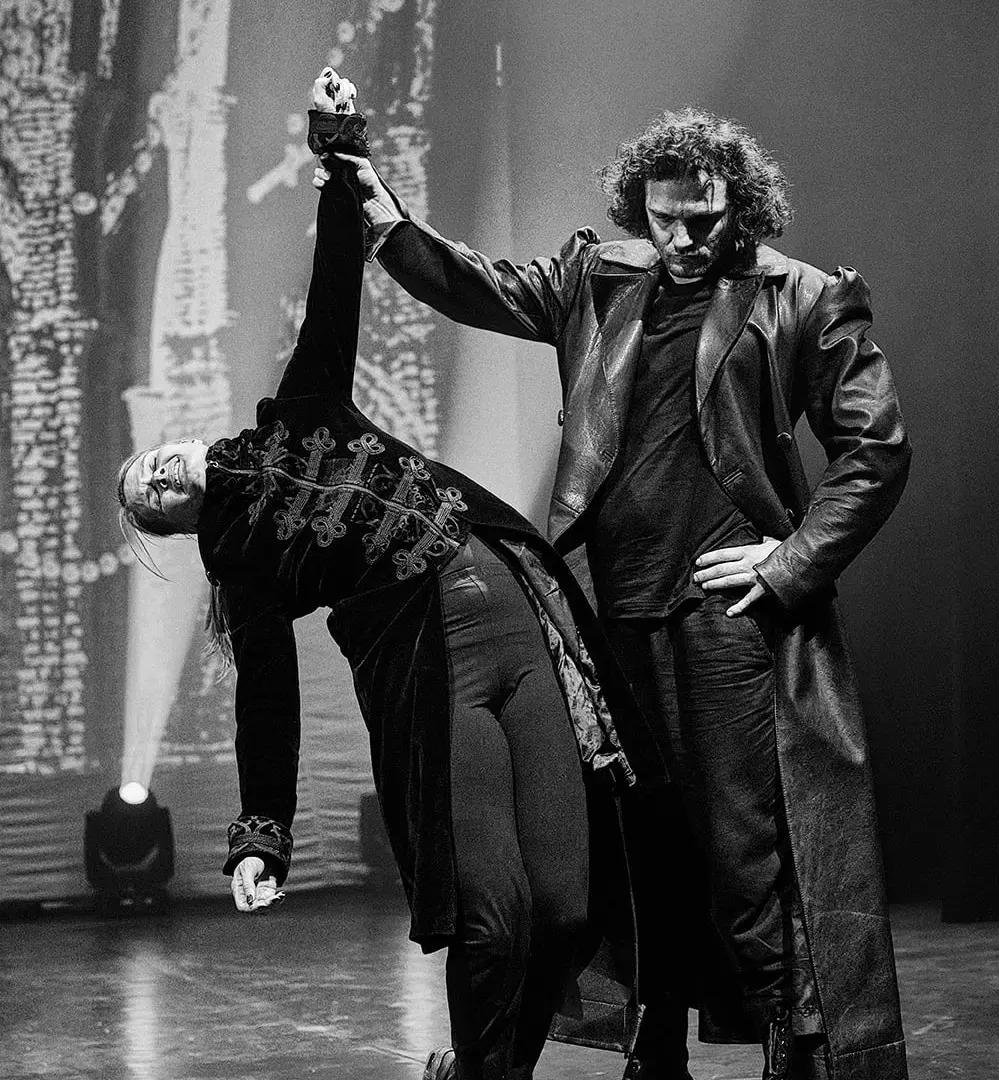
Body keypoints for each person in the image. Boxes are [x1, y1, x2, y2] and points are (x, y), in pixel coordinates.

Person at [316, 106, 913, 1080]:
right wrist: (373, 201)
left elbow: (875, 447)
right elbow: (471, 284)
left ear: (743, 208)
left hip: (723, 618)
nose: (683, 239)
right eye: (664, 218)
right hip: (605, 617)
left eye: (704, 221)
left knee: (744, 856)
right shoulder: (596, 279)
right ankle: (655, 1048)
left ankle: (796, 1049)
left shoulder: (802, 297)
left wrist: (788, 560)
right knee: (637, 855)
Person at [116, 71, 648, 1080]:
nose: (160, 474)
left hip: (519, 610)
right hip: (434, 665)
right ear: (176, 523)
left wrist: (336, 151)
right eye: (150, 495)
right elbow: (266, 701)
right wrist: (262, 836)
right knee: (493, 915)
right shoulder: (242, 570)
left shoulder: (302, 410)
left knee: (569, 910)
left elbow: (334, 290)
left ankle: (488, 1067)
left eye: (153, 461)